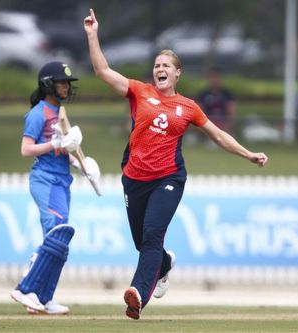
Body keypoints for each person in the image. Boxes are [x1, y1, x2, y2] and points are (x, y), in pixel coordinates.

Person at [83, 9, 268, 320]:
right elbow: (103, 71)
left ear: (178, 73)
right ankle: (165, 265)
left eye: (166, 65)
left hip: (167, 179)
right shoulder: (139, 92)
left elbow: (219, 136)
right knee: (143, 243)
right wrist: (92, 34)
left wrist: (247, 154)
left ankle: (138, 295)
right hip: (134, 179)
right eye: (156, 65)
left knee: (152, 236)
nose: (160, 69)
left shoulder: (188, 107)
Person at [9, 61, 99, 315]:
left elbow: (64, 149)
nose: (66, 87)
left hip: (61, 181)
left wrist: (81, 164)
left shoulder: (58, 112)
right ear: (48, 83)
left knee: (60, 241)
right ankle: (25, 289)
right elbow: (26, 150)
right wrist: (54, 143)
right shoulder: (38, 114)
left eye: (67, 83)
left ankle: (44, 297)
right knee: (57, 235)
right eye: (62, 82)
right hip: (45, 180)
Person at [196, 67, 236, 134]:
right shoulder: (202, 95)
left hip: (223, 127)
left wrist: (226, 128)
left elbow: (231, 113)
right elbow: (197, 114)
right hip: (207, 127)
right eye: (212, 77)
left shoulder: (227, 95)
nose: (214, 80)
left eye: (216, 77)